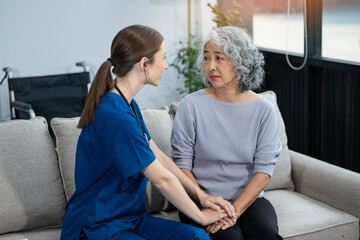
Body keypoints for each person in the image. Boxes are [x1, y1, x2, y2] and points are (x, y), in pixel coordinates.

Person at [60, 25, 237, 240]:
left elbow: (159, 157)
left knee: (196, 237)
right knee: (199, 228)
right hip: (96, 226)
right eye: (163, 58)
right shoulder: (115, 115)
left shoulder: (128, 105)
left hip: (129, 219)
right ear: (144, 63)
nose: (166, 66)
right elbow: (162, 179)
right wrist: (201, 216)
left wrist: (202, 196)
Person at [171, 26, 283, 240]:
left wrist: (233, 212)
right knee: (229, 238)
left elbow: (264, 172)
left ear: (241, 61)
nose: (211, 66)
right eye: (206, 58)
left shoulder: (264, 110)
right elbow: (181, 165)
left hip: (249, 200)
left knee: (266, 234)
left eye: (219, 58)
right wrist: (205, 200)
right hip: (201, 200)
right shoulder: (191, 105)